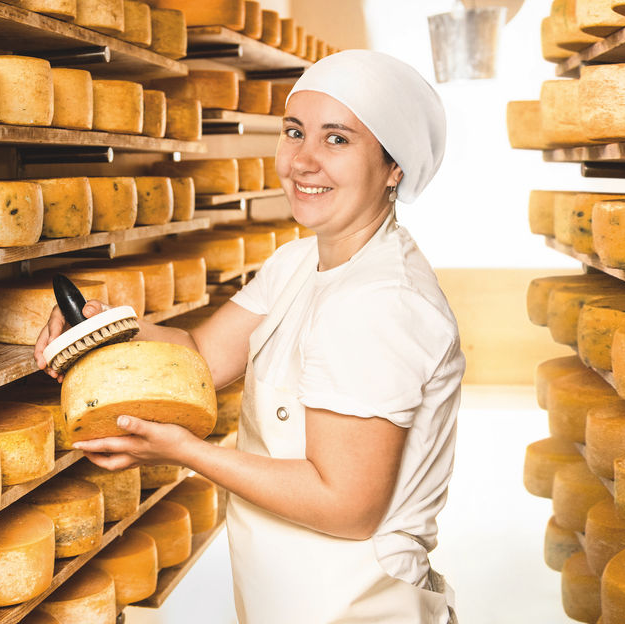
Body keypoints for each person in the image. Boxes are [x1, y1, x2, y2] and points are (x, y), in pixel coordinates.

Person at [34, 49, 464, 624]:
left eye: (337, 140)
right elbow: (202, 359)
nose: (303, 161)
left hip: (357, 605)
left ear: (394, 168)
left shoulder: (383, 303)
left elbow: (347, 506)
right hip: (288, 596)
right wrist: (104, 328)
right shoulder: (298, 261)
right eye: (295, 132)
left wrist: (185, 453)